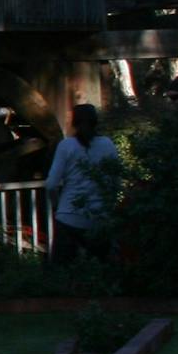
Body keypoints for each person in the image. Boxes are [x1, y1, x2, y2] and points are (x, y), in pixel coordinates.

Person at [45, 103, 118, 267]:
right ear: (96, 122)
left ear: (74, 123)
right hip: (99, 216)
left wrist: (57, 205)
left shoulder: (66, 146)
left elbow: (51, 184)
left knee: (61, 273)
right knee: (103, 268)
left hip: (68, 216)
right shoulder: (108, 144)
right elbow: (115, 180)